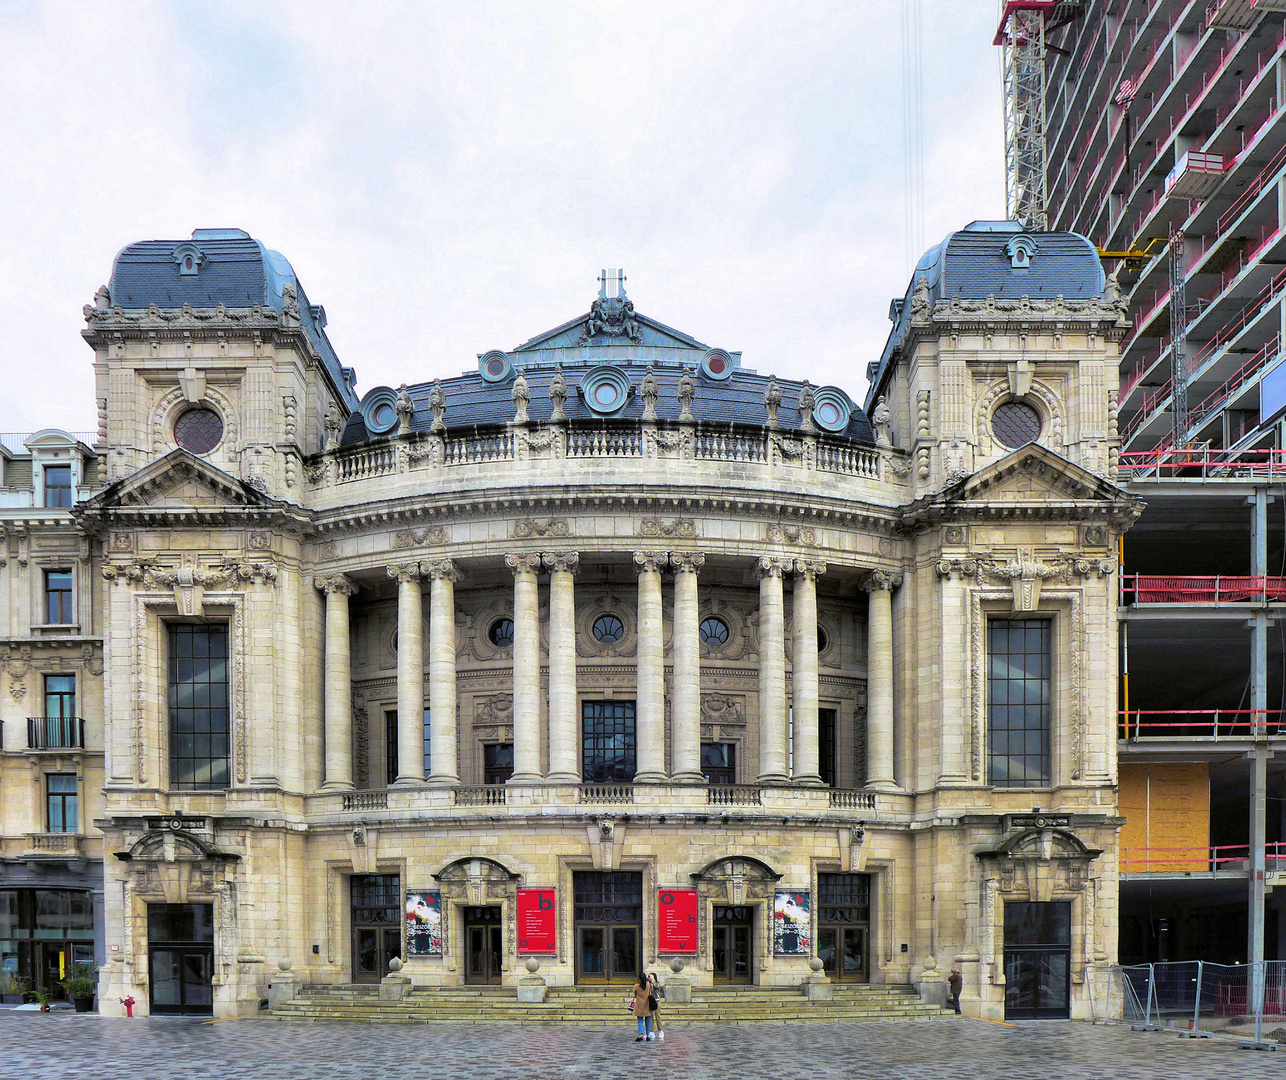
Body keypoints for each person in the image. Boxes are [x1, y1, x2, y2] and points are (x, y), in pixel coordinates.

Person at [630, 973, 654, 1041]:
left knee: (640, 1020)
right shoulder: (649, 985)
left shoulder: (637, 986)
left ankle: (641, 1034)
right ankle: (648, 1035)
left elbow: (635, 993)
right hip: (647, 1004)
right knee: (648, 1020)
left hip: (639, 1005)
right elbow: (652, 990)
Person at [646, 971, 665, 1041]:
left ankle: (660, 1031)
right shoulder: (647, 984)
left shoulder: (656, 983)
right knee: (650, 1017)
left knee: (657, 1016)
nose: (649, 977)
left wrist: (653, 980)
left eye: (650, 976)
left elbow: (656, 987)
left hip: (656, 1000)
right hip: (650, 1001)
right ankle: (651, 1031)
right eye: (649, 976)